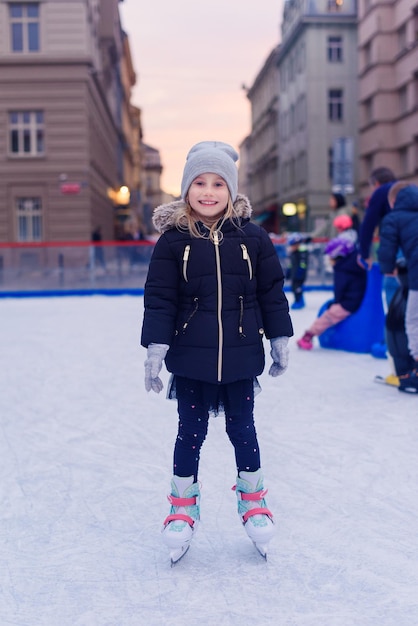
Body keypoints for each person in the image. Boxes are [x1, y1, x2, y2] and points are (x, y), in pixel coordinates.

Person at [140, 141, 294, 561]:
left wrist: (279, 336)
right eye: (199, 183)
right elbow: (160, 299)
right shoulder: (173, 241)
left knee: (243, 429)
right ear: (187, 188)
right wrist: (155, 347)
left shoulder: (253, 237)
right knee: (190, 432)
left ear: (232, 189)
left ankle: (253, 500)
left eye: (218, 183)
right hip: (191, 358)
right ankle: (182, 506)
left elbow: (271, 292)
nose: (208, 192)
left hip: (243, 356)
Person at [378, 182, 418, 393]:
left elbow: (387, 248)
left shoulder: (394, 218)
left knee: (413, 321)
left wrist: (388, 267)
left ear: (393, 201)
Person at [297, 235, 367, 350]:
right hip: (356, 298)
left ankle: (309, 335)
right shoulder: (355, 264)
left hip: (349, 303)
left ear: (338, 256)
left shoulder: (342, 270)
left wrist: (336, 302)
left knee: (329, 315)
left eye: (330, 258)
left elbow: (340, 290)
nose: (329, 260)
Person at [286, 233, 310, 310]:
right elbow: (291, 263)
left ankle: (299, 301)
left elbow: (303, 264)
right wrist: (289, 272)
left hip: (299, 274)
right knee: (294, 287)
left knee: (297, 288)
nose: (291, 247)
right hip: (294, 273)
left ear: (297, 244)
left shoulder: (302, 252)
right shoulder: (293, 253)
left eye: (292, 245)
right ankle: (299, 300)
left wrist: (300, 272)